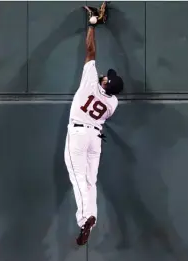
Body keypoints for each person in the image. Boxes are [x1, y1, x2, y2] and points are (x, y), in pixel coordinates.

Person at [64, 4, 124, 246]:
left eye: (107, 77)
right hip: (95, 138)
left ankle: (85, 218)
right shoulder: (113, 103)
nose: (104, 76)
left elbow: (90, 52)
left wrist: (91, 25)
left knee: (78, 176)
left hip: (80, 134)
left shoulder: (90, 81)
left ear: (106, 82)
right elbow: (107, 90)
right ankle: (91, 217)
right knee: (90, 181)